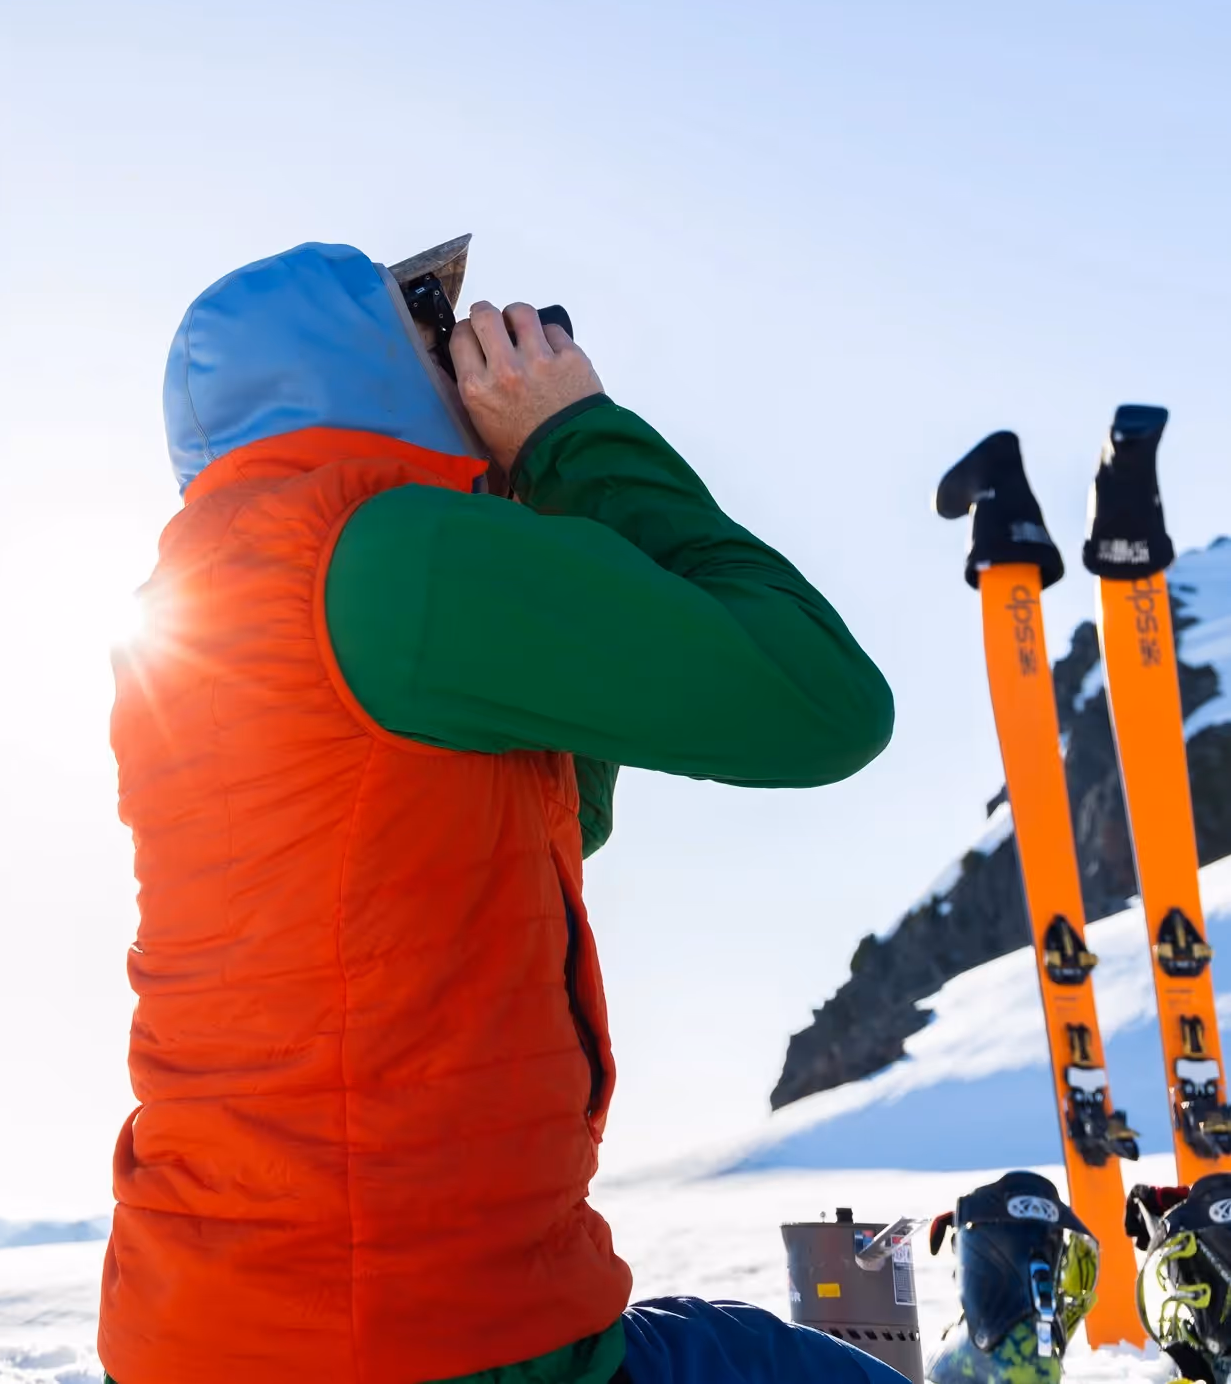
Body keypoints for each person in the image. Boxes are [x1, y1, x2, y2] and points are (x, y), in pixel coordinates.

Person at [101, 240, 899, 1384]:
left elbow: (542, 828)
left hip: (224, 1321)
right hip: (424, 1338)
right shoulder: (385, 554)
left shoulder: (219, 592)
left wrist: (534, 522)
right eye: (432, 324)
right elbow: (824, 701)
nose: (467, 341)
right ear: (361, 364)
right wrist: (579, 440)